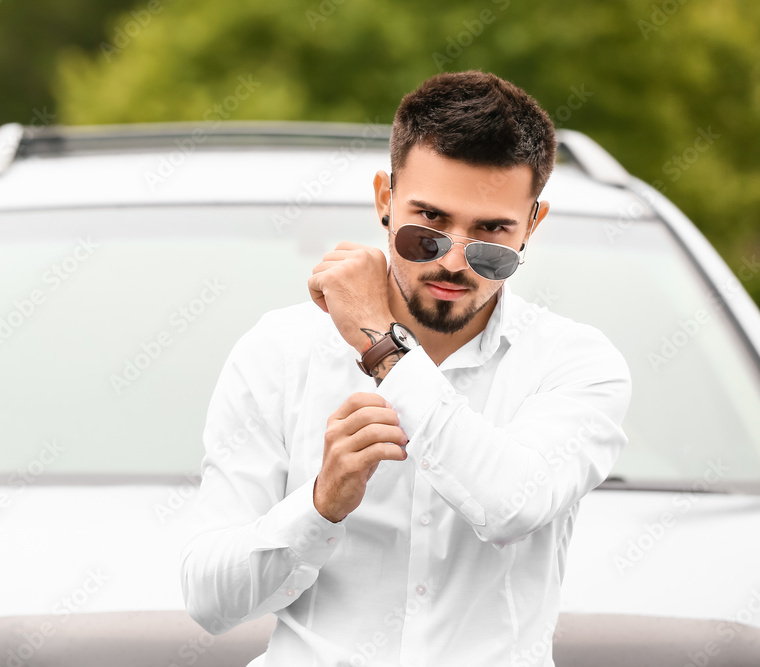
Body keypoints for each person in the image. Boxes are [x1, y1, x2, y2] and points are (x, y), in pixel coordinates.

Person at [179, 70, 632, 667]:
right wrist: (318, 507)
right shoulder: (279, 351)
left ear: (533, 225)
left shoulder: (576, 364)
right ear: (384, 201)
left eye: (492, 236)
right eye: (429, 228)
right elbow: (211, 601)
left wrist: (382, 349)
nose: (454, 261)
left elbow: (510, 505)